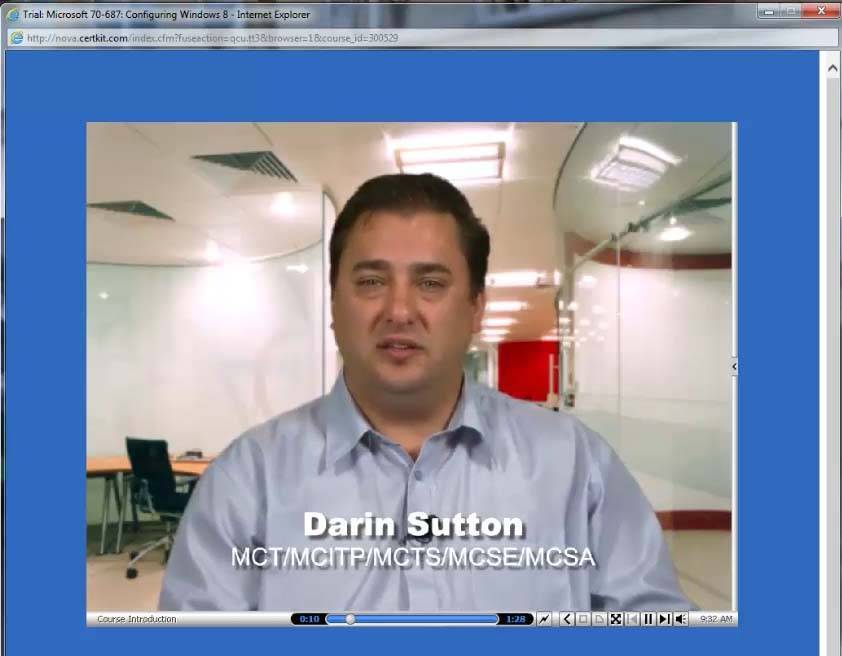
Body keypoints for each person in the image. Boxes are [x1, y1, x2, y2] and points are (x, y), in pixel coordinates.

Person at [159, 173, 694, 612]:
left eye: (431, 283)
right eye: (371, 281)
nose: (399, 310)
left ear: (476, 308)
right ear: (334, 304)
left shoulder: (576, 464)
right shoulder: (246, 481)